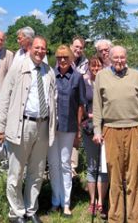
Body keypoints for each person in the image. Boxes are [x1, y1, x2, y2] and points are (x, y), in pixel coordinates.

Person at [0, 36, 57, 223]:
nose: (40, 51)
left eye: (43, 48)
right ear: (30, 48)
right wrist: (0, 126)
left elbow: (53, 100)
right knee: (16, 172)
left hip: (43, 126)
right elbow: (4, 97)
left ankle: (31, 209)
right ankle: (17, 212)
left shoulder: (49, 72)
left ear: (46, 51)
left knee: (37, 173)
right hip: (23, 125)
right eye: (37, 48)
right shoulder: (18, 68)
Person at [92, 45, 138, 223]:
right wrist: (97, 130)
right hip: (110, 130)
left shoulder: (135, 75)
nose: (119, 61)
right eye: (115, 57)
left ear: (126, 58)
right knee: (115, 176)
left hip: (135, 129)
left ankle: (134, 218)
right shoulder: (102, 76)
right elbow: (97, 107)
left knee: (133, 177)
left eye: (122, 57)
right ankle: (116, 218)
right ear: (109, 58)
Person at [48, 45, 86, 217]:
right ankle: (55, 200)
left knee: (65, 164)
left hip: (69, 127)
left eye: (65, 57)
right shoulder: (49, 75)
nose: (62, 60)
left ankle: (66, 203)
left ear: (71, 58)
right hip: (50, 127)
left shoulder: (78, 78)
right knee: (53, 164)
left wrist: (78, 130)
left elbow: (80, 105)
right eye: (59, 57)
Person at [82, 56, 109, 218]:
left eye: (98, 66)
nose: (95, 69)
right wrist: (90, 115)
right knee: (92, 166)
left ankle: (101, 202)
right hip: (89, 128)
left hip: (106, 128)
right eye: (93, 66)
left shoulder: (107, 83)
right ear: (89, 68)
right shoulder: (84, 84)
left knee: (103, 167)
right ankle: (92, 201)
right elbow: (80, 105)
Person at [69, 36, 88, 177]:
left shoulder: (85, 63)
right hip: (66, 101)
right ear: (71, 46)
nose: (78, 50)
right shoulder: (64, 59)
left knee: (76, 133)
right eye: (76, 47)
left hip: (80, 103)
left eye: (81, 48)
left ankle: (73, 166)